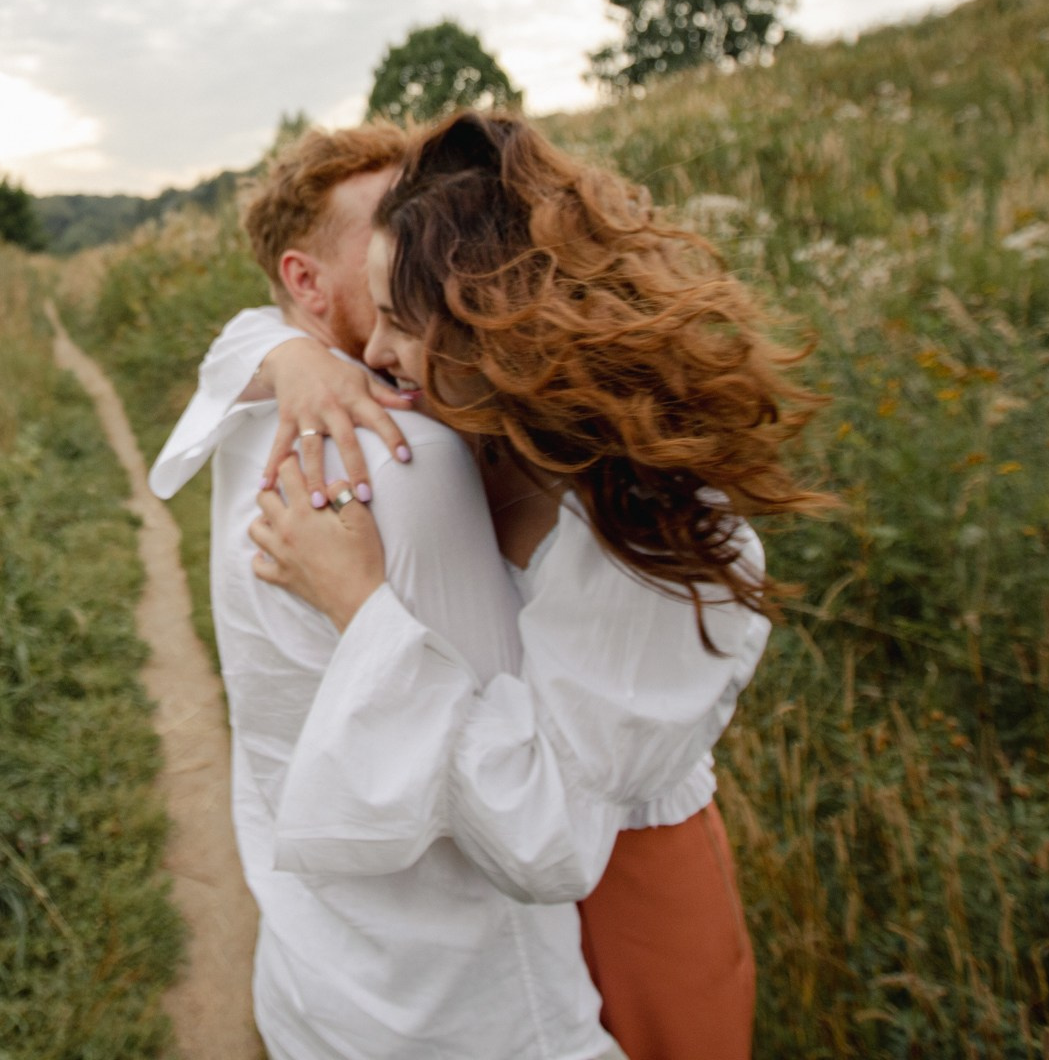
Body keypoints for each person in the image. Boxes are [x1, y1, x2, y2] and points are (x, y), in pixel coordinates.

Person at [244, 112, 832, 1060]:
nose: (377, 354)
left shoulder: (654, 542)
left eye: (400, 319)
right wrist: (293, 355)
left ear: (495, 319)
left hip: (629, 889)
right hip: (488, 919)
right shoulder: (477, 428)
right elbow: (253, 335)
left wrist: (360, 604)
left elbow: (547, 834)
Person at [147, 123, 619, 1060]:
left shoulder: (258, 415)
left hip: (315, 979)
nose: (426, 243)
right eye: (387, 229)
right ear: (306, 282)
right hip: (465, 1007)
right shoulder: (407, 457)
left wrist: (290, 353)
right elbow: (524, 785)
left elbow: (244, 338)